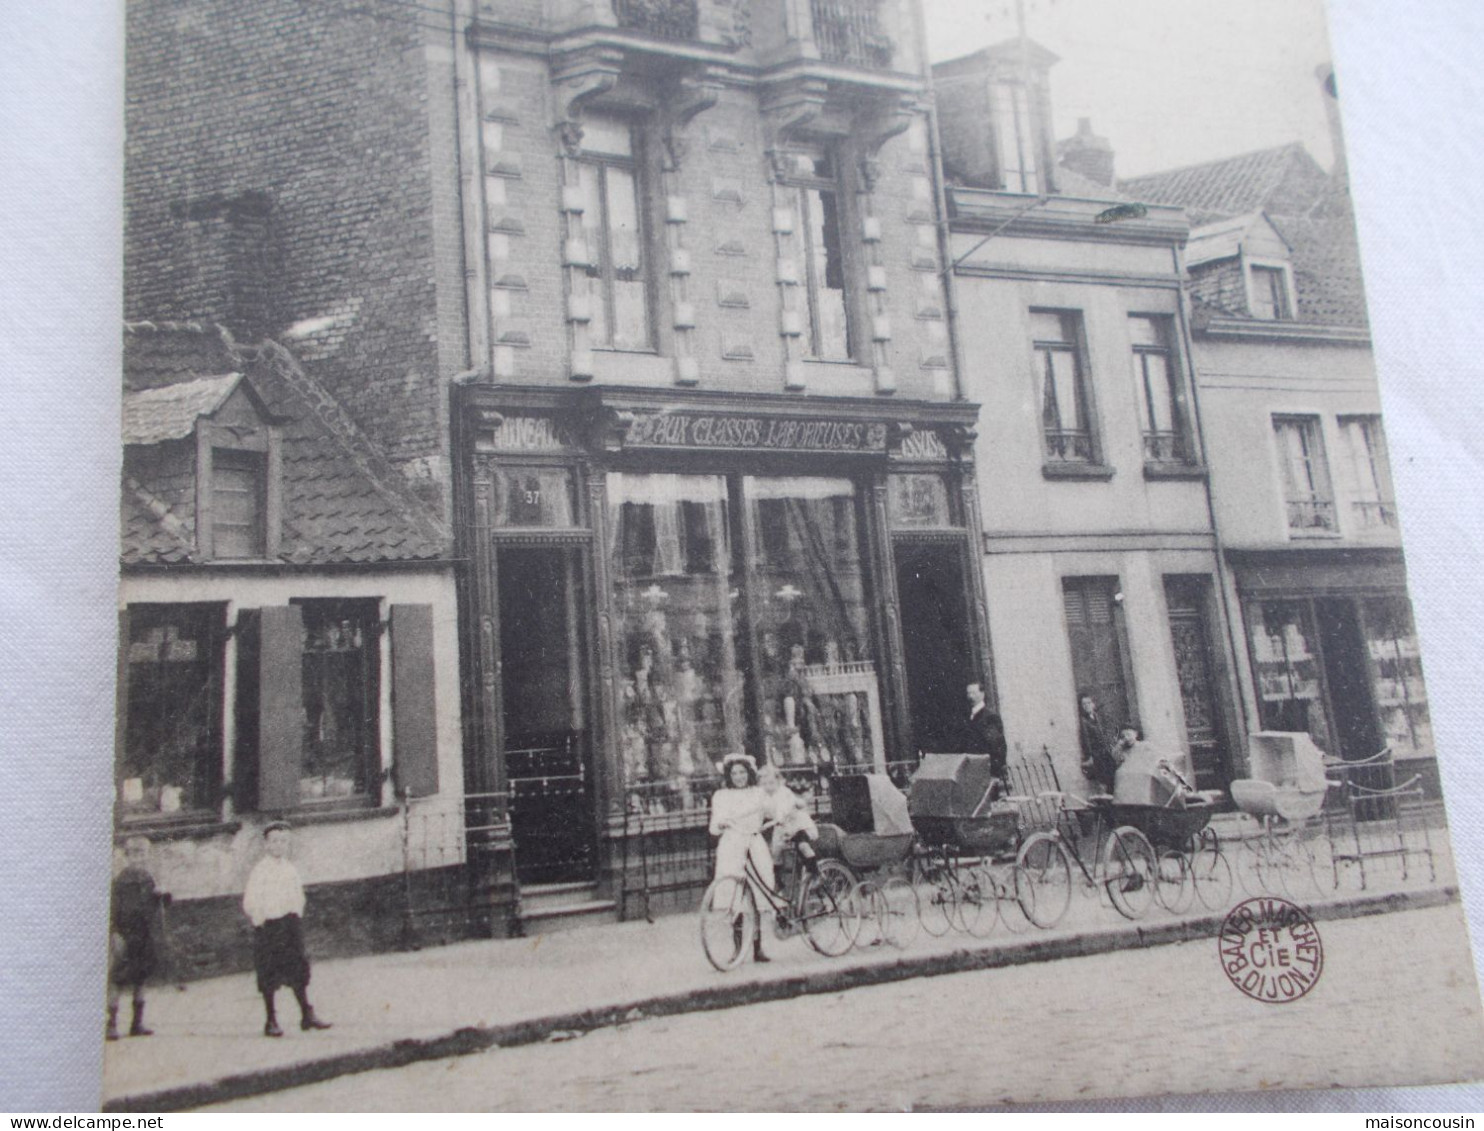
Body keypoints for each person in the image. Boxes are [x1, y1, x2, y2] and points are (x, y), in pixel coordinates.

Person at [242, 821, 332, 1037]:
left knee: (298, 970)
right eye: (274, 841)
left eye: (283, 841)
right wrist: (260, 919)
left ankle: (306, 1015)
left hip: (289, 926)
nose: (279, 845)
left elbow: (297, 895)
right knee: (269, 974)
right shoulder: (260, 871)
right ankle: (271, 1020)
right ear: (266, 845)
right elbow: (251, 900)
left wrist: (295, 914)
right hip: (269, 928)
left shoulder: (290, 869)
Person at [708, 753, 774, 962]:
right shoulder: (721, 796)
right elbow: (714, 827)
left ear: (749, 773)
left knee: (757, 895)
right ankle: (737, 949)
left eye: (742, 772)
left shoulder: (758, 793)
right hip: (731, 845)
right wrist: (721, 824)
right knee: (733, 896)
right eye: (734, 773)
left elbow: (772, 811)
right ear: (729, 775)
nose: (738, 777)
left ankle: (757, 947)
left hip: (754, 844)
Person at [107, 836, 169, 1041]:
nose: (139, 858)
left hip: (144, 934)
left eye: (142, 853)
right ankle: (111, 1024)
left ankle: (137, 1023)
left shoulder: (148, 878)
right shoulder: (120, 882)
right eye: (134, 854)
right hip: (125, 934)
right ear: (127, 856)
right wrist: (115, 934)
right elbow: (112, 911)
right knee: (117, 978)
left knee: (141, 978)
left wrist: (163, 896)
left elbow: (156, 908)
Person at [757, 762, 820, 871]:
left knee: (802, 846)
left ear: (779, 782)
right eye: (764, 784)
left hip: (798, 825)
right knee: (775, 853)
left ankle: (816, 873)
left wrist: (767, 825)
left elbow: (782, 813)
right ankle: (778, 881)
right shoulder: (764, 796)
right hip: (782, 827)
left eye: (771, 783)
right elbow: (760, 812)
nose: (768, 787)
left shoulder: (784, 793)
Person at [963, 680, 1008, 784]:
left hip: (986, 772)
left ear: (982, 694)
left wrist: (995, 772)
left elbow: (997, 746)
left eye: (973, 693)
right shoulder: (969, 716)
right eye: (968, 693)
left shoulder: (989, 717)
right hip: (973, 769)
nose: (970, 696)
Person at [1077, 690, 1119, 794]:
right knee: (1103, 780)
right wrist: (1090, 756)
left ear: (1093, 704)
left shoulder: (1098, 717)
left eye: (1089, 703)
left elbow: (1107, 732)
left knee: (1113, 777)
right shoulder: (1084, 721)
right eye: (1084, 704)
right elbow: (1086, 740)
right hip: (1097, 755)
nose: (1087, 706)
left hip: (1106, 753)